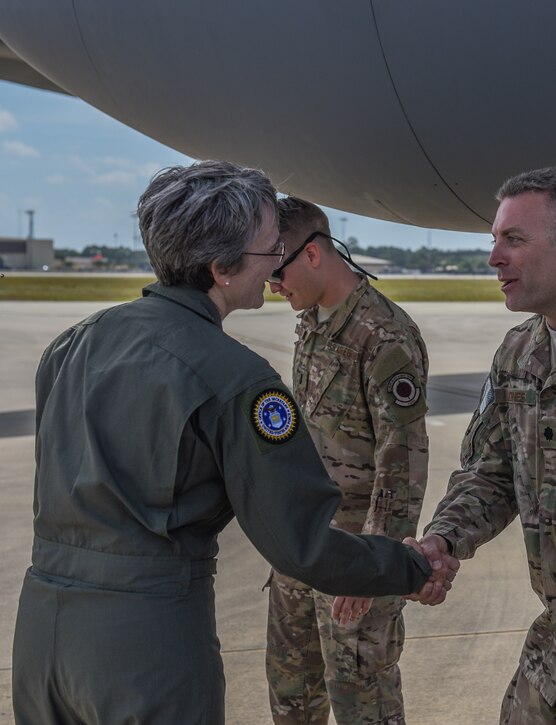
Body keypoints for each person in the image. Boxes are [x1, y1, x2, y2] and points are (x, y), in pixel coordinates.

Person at [10, 160, 453, 725]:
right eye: (269, 250)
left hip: (43, 634)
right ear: (222, 268)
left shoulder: (72, 345)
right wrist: (410, 567)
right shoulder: (238, 379)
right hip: (145, 648)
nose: (274, 268)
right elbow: (300, 545)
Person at [411, 165, 556, 724]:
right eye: (494, 240)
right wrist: (443, 540)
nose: (494, 258)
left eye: (513, 239)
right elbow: (492, 470)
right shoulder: (517, 353)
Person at [266, 196, 430, 725]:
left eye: (278, 271)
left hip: (354, 559)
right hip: (302, 548)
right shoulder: (313, 321)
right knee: (293, 695)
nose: (272, 285)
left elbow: (401, 466)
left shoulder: (384, 336)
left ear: (312, 254)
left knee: (364, 704)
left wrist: (372, 568)